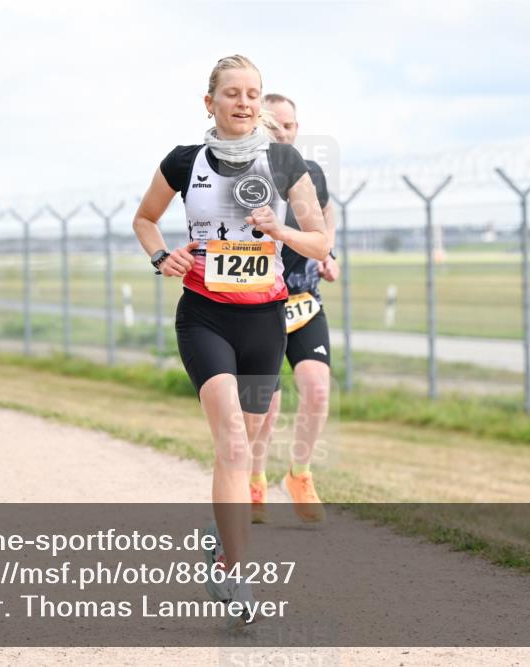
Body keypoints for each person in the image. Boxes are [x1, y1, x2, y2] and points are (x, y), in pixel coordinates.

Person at [132, 55, 327, 628]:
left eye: (252, 93)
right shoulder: (183, 161)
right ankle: (235, 574)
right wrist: (160, 254)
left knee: (253, 434)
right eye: (232, 93)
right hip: (205, 317)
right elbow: (145, 219)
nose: (243, 103)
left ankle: (221, 546)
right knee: (235, 447)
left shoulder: (287, 162)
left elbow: (319, 243)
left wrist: (279, 229)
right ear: (209, 102)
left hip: (266, 321)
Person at [249, 94, 337, 524]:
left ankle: (299, 474)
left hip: (303, 299)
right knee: (266, 407)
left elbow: (325, 211)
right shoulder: (248, 175)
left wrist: (328, 253)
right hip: (261, 303)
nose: (284, 133)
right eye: (275, 126)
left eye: (290, 125)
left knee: (318, 388)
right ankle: (253, 479)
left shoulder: (310, 172)